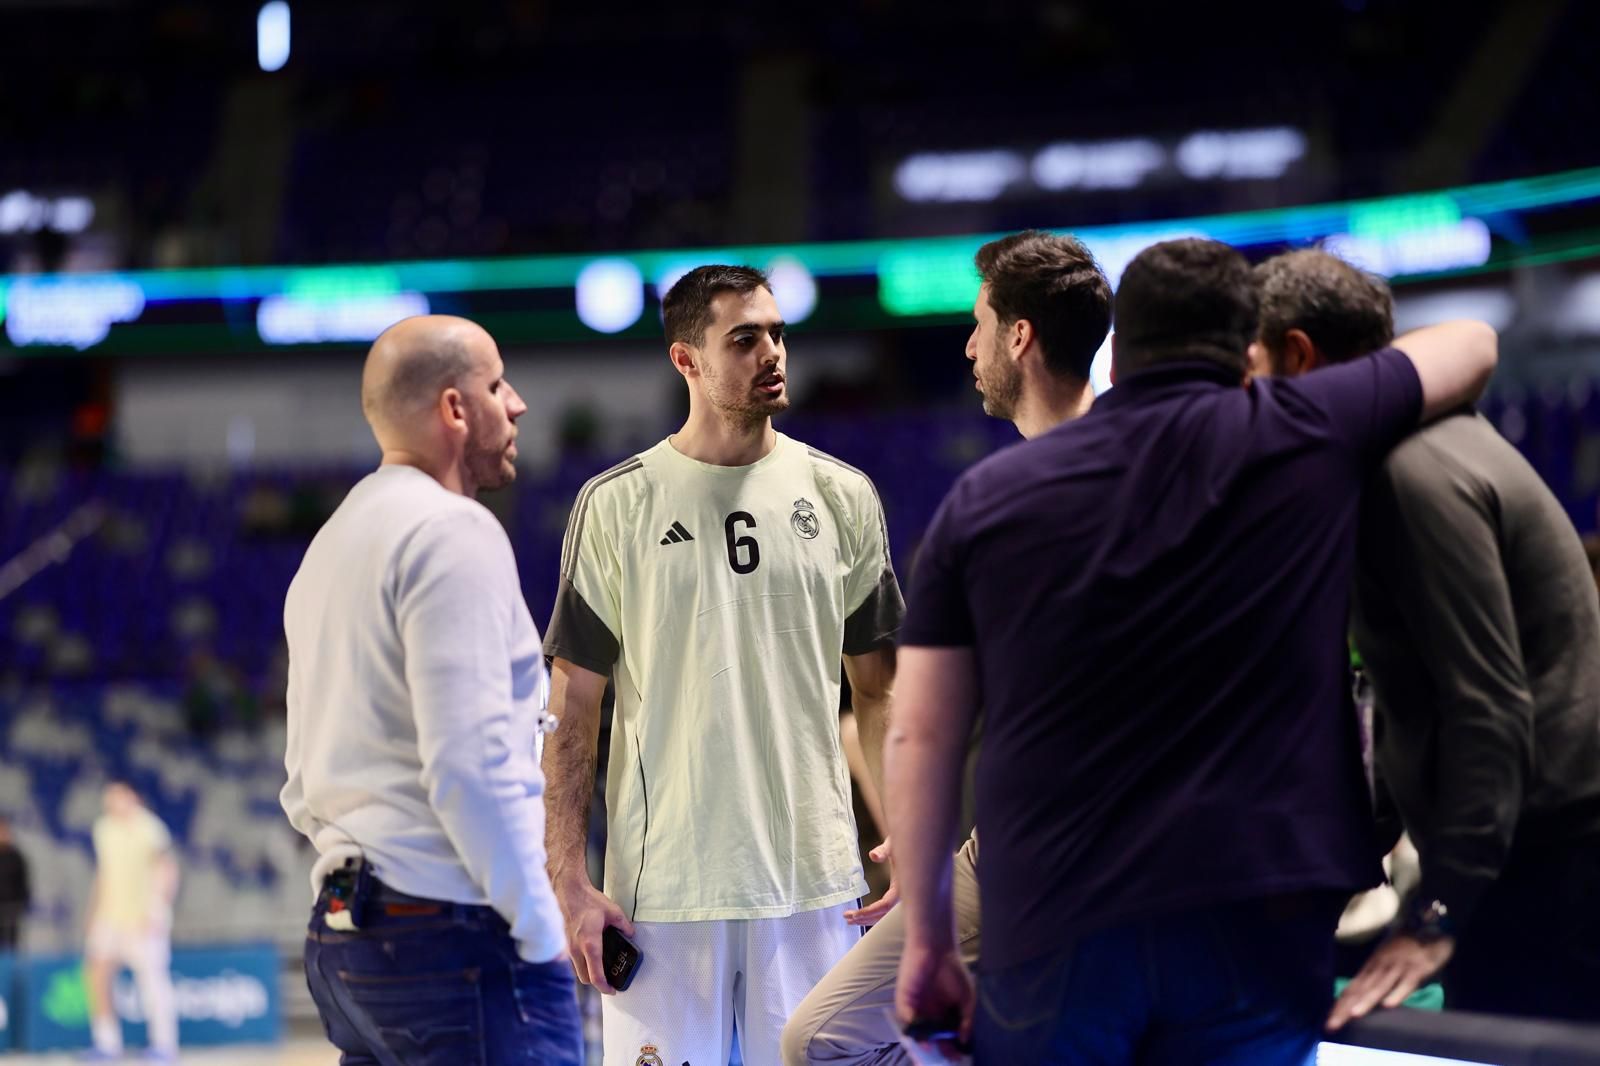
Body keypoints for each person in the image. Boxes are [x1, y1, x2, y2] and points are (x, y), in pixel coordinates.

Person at [885, 237, 1499, 1064]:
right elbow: (1472, 342)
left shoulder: (983, 500)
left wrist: (927, 941)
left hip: (1057, 916)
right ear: (1246, 346)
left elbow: (920, 734)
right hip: (1255, 916)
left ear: (1121, 346)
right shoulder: (1304, 428)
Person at [542, 265, 903, 1066]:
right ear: (687, 361)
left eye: (777, 334)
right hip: (663, 896)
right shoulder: (617, 504)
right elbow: (572, 709)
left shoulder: (843, 495)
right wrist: (565, 871)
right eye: (745, 339)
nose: (772, 352)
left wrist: (908, 827)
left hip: (814, 886)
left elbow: (881, 693)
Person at [781, 229, 1112, 1066]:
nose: (967, 346)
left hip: (1054, 859)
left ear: (1020, 337)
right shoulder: (1153, 471)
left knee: (825, 1041)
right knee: (829, 1037)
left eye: (978, 323)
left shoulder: (989, 509)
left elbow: (916, 726)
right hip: (1048, 854)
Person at [1249, 250, 1600, 1026]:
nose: (1246, 397)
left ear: (1298, 356)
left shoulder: (1407, 471)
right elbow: (1413, 703)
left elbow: (1489, 705)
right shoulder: (1409, 452)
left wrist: (1438, 911)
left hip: (1547, 866)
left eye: (1252, 366)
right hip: (1521, 857)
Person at [281, 314, 582, 1065]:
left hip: (346, 933)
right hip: (451, 933)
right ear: (453, 408)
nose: (516, 404)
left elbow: (297, 783)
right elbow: (469, 764)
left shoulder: (332, 542)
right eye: (496, 384)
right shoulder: (452, 531)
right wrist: (538, 927)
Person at [84, 781, 179, 1063]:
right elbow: (103, 872)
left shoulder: (150, 827)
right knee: (97, 974)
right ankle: (106, 1042)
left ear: (133, 797)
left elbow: (167, 869)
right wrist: (92, 913)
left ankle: (164, 1045)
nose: (115, 804)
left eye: (120, 797)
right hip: (110, 917)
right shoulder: (103, 829)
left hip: (143, 919)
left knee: (153, 982)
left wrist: (157, 911)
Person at [0, 816, 29, 951]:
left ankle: (12, 971)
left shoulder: (16, 857)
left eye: (4, 831)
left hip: (12, 909)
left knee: (12, 946)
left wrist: (21, 902)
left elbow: (23, 883)